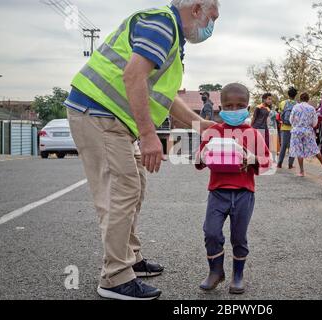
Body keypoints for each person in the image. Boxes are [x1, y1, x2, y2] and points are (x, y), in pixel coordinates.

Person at [64, 0, 220, 300]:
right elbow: (133, 76)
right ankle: (114, 277)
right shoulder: (161, 24)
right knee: (122, 190)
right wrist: (149, 135)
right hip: (98, 114)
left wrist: (200, 124)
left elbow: (162, 95)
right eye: (213, 17)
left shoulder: (170, 34)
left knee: (135, 185)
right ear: (197, 9)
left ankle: (130, 258)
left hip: (111, 118)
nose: (212, 26)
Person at [196, 83, 271, 294]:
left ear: (247, 107)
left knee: (239, 237)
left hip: (243, 193)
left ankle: (238, 275)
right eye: (228, 105)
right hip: (217, 192)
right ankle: (215, 271)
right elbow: (200, 160)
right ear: (221, 107)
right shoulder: (213, 131)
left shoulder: (253, 133)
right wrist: (201, 155)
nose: (233, 109)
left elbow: (266, 161)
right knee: (211, 232)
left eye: (239, 105)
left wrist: (252, 158)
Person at [289, 92, 322, 177]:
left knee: (299, 150)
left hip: (297, 131)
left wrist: (296, 125)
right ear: (308, 99)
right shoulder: (311, 108)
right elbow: (315, 122)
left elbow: (291, 119)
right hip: (307, 131)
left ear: (300, 99)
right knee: (314, 148)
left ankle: (302, 171)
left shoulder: (295, 107)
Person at [277, 87, 298, 169]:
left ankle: (279, 164)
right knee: (292, 147)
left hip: (284, 127)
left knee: (283, 146)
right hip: (293, 128)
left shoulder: (283, 103)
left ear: (288, 94)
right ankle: (290, 165)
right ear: (295, 95)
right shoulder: (297, 104)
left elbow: (279, 114)